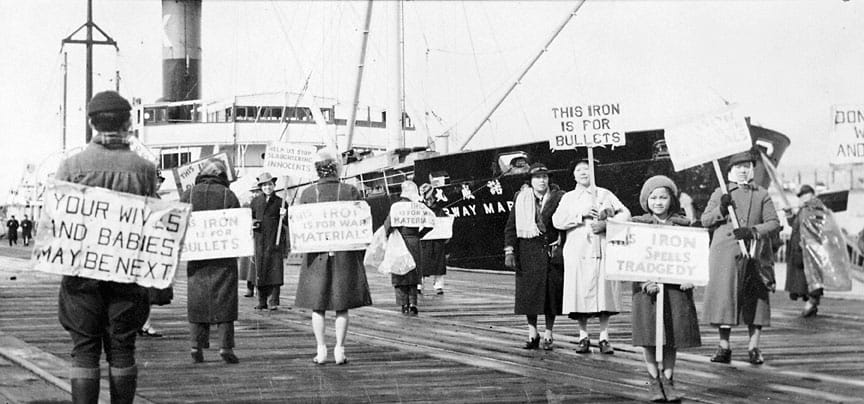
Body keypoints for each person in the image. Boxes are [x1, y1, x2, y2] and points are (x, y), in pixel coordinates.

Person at [54, 90, 157, 403]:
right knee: (123, 348)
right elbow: (152, 223)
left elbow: (58, 220)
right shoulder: (144, 168)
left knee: (84, 351)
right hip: (127, 272)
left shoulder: (72, 166)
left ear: (91, 123)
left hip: (81, 273)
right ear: (127, 122)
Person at [702, 150, 780, 365]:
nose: (743, 170)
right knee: (724, 299)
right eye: (739, 167)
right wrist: (721, 208)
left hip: (754, 251)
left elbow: (773, 222)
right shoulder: (721, 192)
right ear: (730, 171)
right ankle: (724, 346)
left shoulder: (761, 193)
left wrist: (753, 230)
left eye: (747, 166)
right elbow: (705, 220)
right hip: (725, 253)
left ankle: (754, 347)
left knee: (756, 299)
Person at [294, 149, 372, 365]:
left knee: (317, 306)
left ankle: (321, 350)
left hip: (316, 257)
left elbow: (300, 228)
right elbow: (362, 224)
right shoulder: (350, 191)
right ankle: (340, 349)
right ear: (336, 168)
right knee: (342, 305)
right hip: (344, 256)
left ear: (317, 169)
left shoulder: (308, 193)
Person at [630, 176, 701, 402]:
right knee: (649, 335)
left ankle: (668, 379)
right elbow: (629, 257)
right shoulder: (637, 224)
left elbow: (694, 255)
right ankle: (653, 380)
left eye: (663, 197)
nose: (658, 202)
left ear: (671, 199)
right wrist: (644, 281)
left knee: (672, 335)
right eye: (653, 197)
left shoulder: (683, 225)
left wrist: (691, 276)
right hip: (646, 290)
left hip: (675, 289)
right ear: (646, 200)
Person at [552, 158, 630, 354]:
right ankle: (583, 336)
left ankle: (604, 337)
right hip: (578, 250)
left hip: (600, 247)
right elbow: (557, 221)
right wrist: (581, 214)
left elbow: (625, 214)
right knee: (580, 293)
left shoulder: (604, 193)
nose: (584, 172)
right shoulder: (568, 197)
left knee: (604, 294)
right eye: (579, 170)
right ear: (574, 174)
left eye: (587, 169)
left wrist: (607, 222)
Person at [181, 159, 242, 364]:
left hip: (196, 256)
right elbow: (238, 227)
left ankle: (195, 345)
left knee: (197, 301)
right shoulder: (228, 195)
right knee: (225, 302)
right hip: (223, 258)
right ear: (222, 175)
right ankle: (225, 347)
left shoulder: (187, 194)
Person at [504, 163, 565, 350]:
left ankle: (548, 333)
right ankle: (532, 333)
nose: (542, 180)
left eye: (545, 177)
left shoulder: (560, 198)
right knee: (528, 295)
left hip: (550, 252)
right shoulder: (521, 198)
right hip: (527, 252)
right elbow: (511, 226)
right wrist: (509, 250)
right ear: (530, 181)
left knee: (550, 295)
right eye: (537, 177)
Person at [384, 181, 434, 316]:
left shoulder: (396, 206)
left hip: (399, 241)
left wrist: (388, 236)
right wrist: (420, 234)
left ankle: (403, 304)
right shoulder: (419, 206)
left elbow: (388, 225)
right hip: (415, 241)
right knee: (413, 273)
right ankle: (413, 303)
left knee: (399, 273)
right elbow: (431, 222)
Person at [140, 173, 171, 338]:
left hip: (153, 246)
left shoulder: (156, 197)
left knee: (147, 288)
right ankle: (143, 323)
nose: (158, 184)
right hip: (143, 247)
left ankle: (144, 322)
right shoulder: (144, 197)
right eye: (155, 181)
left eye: (160, 181)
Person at [250, 172, 286, 311]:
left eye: (270, 185)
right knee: (260, 271)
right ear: (261, 187)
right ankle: (261, 300)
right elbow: (249, 218)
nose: (267, 187)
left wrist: (285, 215)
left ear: (274, 186)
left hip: (274, 241)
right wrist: (253, 223)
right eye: (264, 185)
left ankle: (273, 301)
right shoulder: (255, 202)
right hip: (259, 241)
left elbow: (288, 223)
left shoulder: (281, 202)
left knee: (275, 271)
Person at [419, 183, 448, 295]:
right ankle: (419, 284)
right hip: (425, 240)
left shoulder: (439, 209)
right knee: (422, 263)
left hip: (436, 240)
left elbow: (444, 222)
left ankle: (438, 285)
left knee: (439, 264)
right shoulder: (420, 208)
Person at [239, 185, 262, 298]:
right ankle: (249, 287)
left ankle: (258, 288)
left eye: (257, 192)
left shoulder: (262, 203)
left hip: (259, 236)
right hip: (249, 237)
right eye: (253, 192)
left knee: (257, 264)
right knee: (249, 265)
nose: (254, 194)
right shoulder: (246, 205)